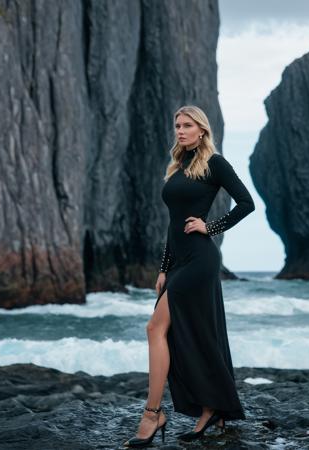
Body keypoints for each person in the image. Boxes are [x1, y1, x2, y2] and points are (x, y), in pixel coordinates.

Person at [123, 105, 255, 447]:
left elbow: (246, 203)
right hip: (180, 262)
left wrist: (208, 227)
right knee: (191, 335)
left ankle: (153, 414)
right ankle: (210, 408)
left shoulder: (215, 163)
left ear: (202, 130)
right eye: (177, 125)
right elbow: (173, 223)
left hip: (201, 259)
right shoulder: (180, 166)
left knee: (155, 328)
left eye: (187, 125)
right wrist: (164, 268)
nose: (180, 130)